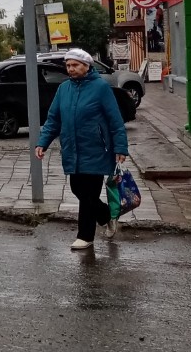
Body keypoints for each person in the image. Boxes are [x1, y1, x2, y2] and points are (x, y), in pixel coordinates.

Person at [34, 47, 130, 250]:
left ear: (87, 66)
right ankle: (107, 215)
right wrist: (42, 142)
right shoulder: (64, 89)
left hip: (97, 148)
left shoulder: (100, 88)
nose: (71, 69)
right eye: (68, 65)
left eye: (75, 65)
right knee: (77, 189)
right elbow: (53, 119)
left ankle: (85, 237)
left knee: (88, 195)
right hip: (71, 148)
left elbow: (115, 120)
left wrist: (120, 147)